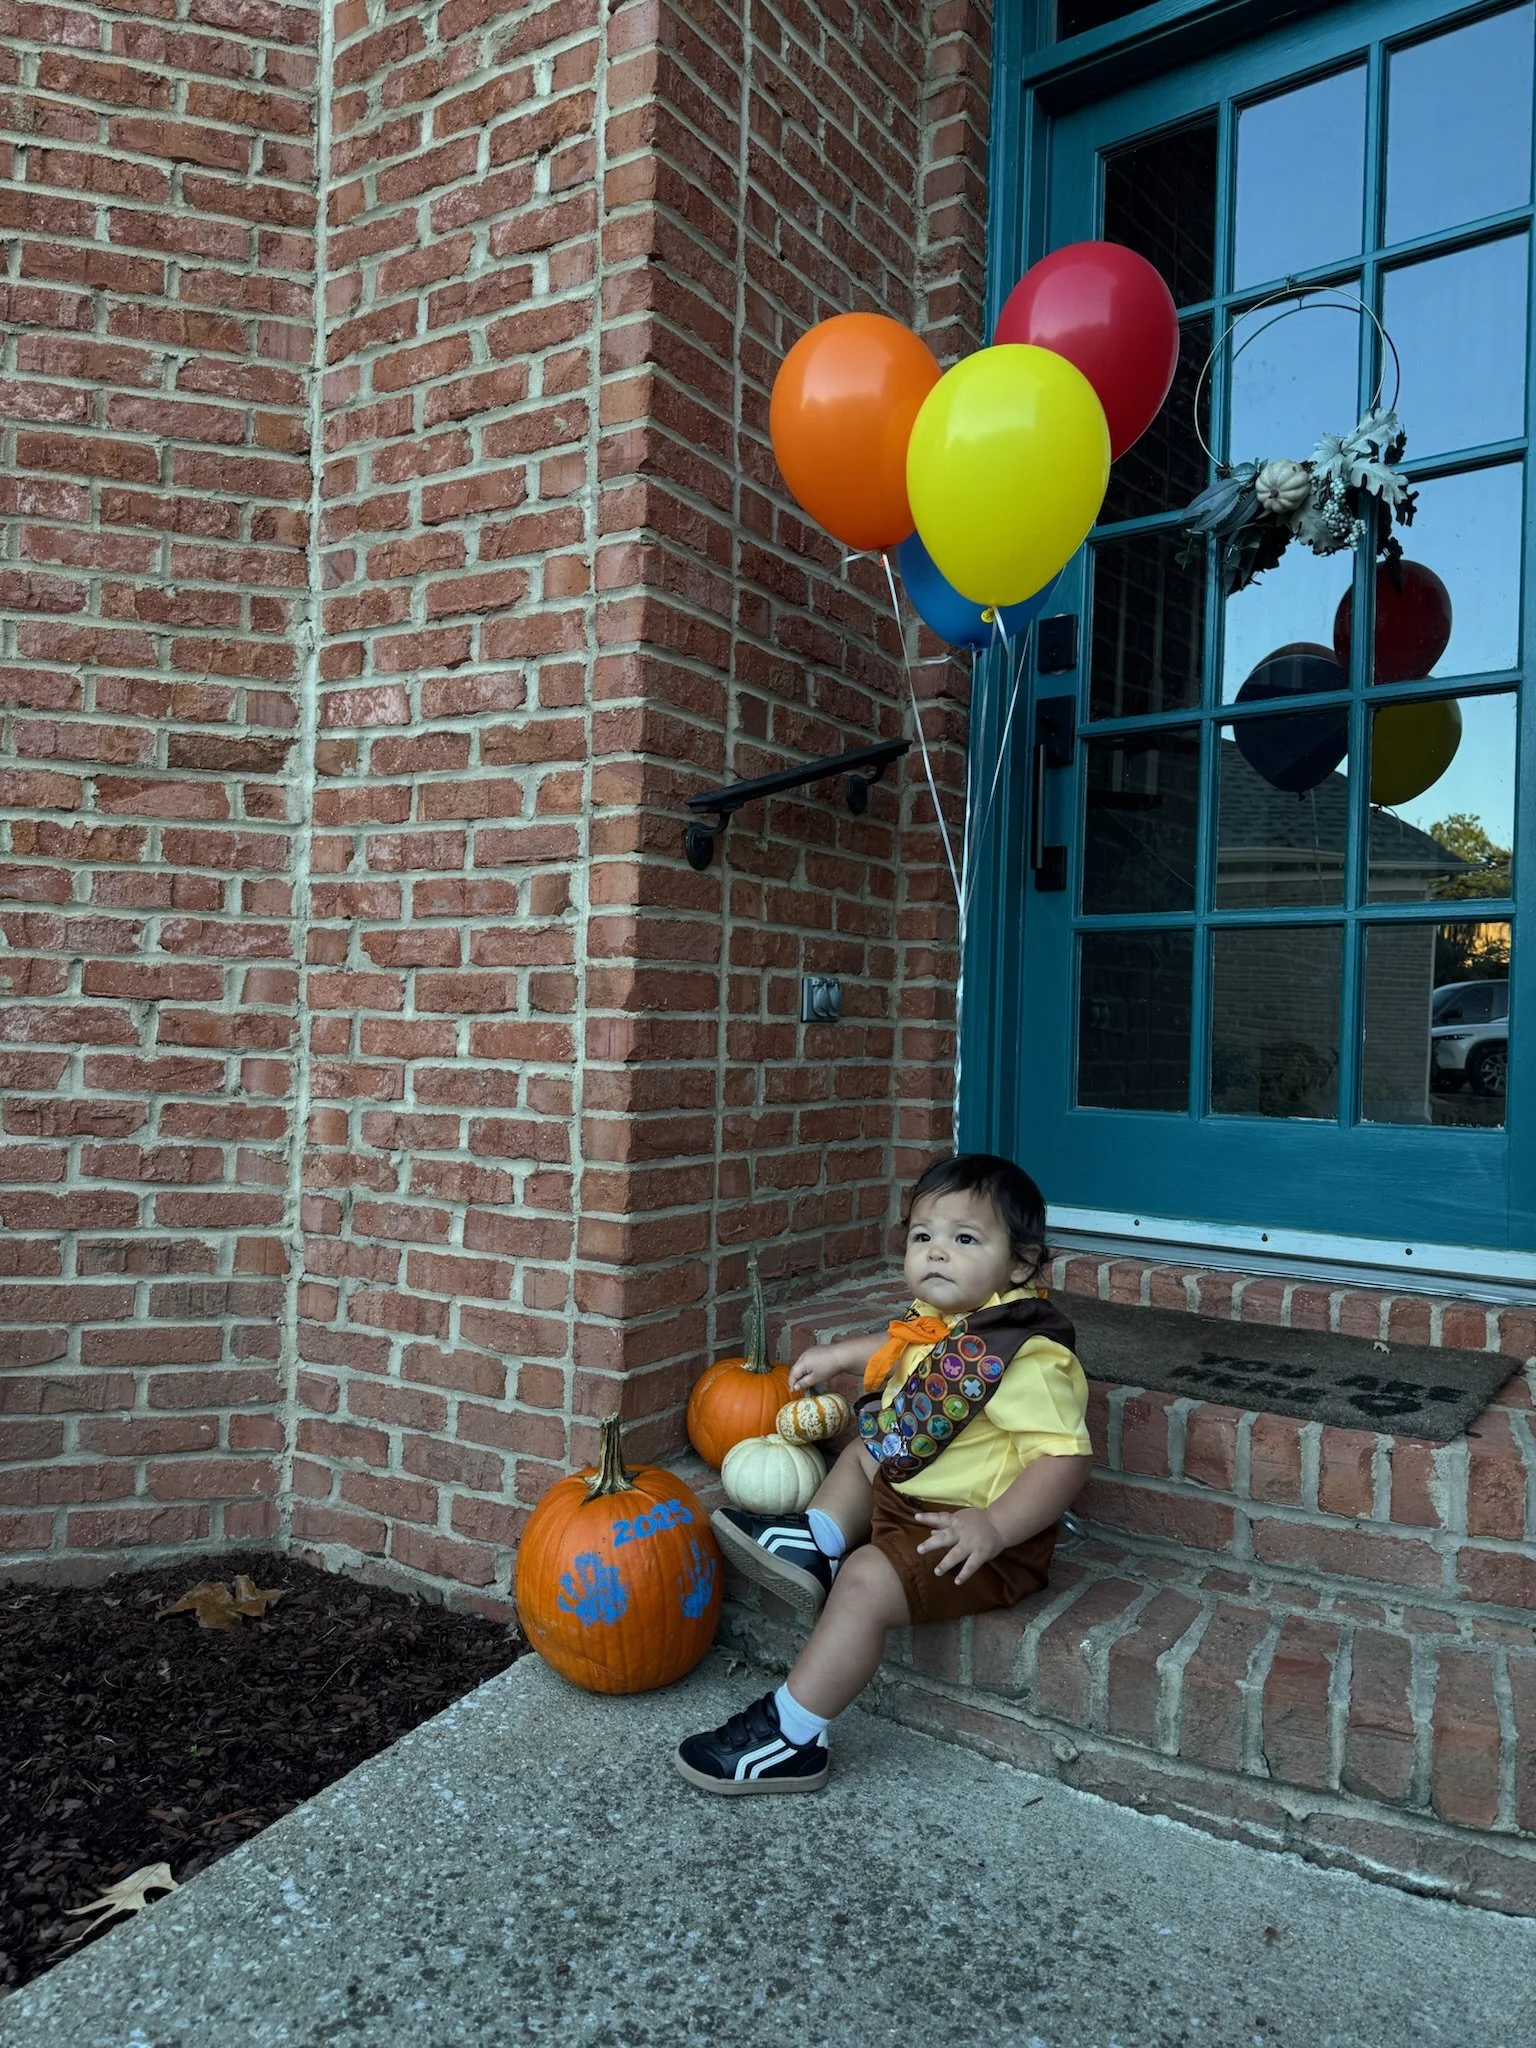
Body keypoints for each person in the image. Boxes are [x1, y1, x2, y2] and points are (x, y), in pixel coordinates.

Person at [675, 1152, 1092, 1794]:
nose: (936, 1253)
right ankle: (815, 1542)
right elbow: (902, 1344)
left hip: (967, 1539)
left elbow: (1065, 1459)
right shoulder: (947, 1323)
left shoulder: (1025, 1358)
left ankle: (792, 1735)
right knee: (864, 1448)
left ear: (1022, 1265)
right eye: (922, 1236)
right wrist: (839, 1354)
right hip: (907, 1491)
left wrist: (996, 1527)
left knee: (867, 1583)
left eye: (964, 1238)